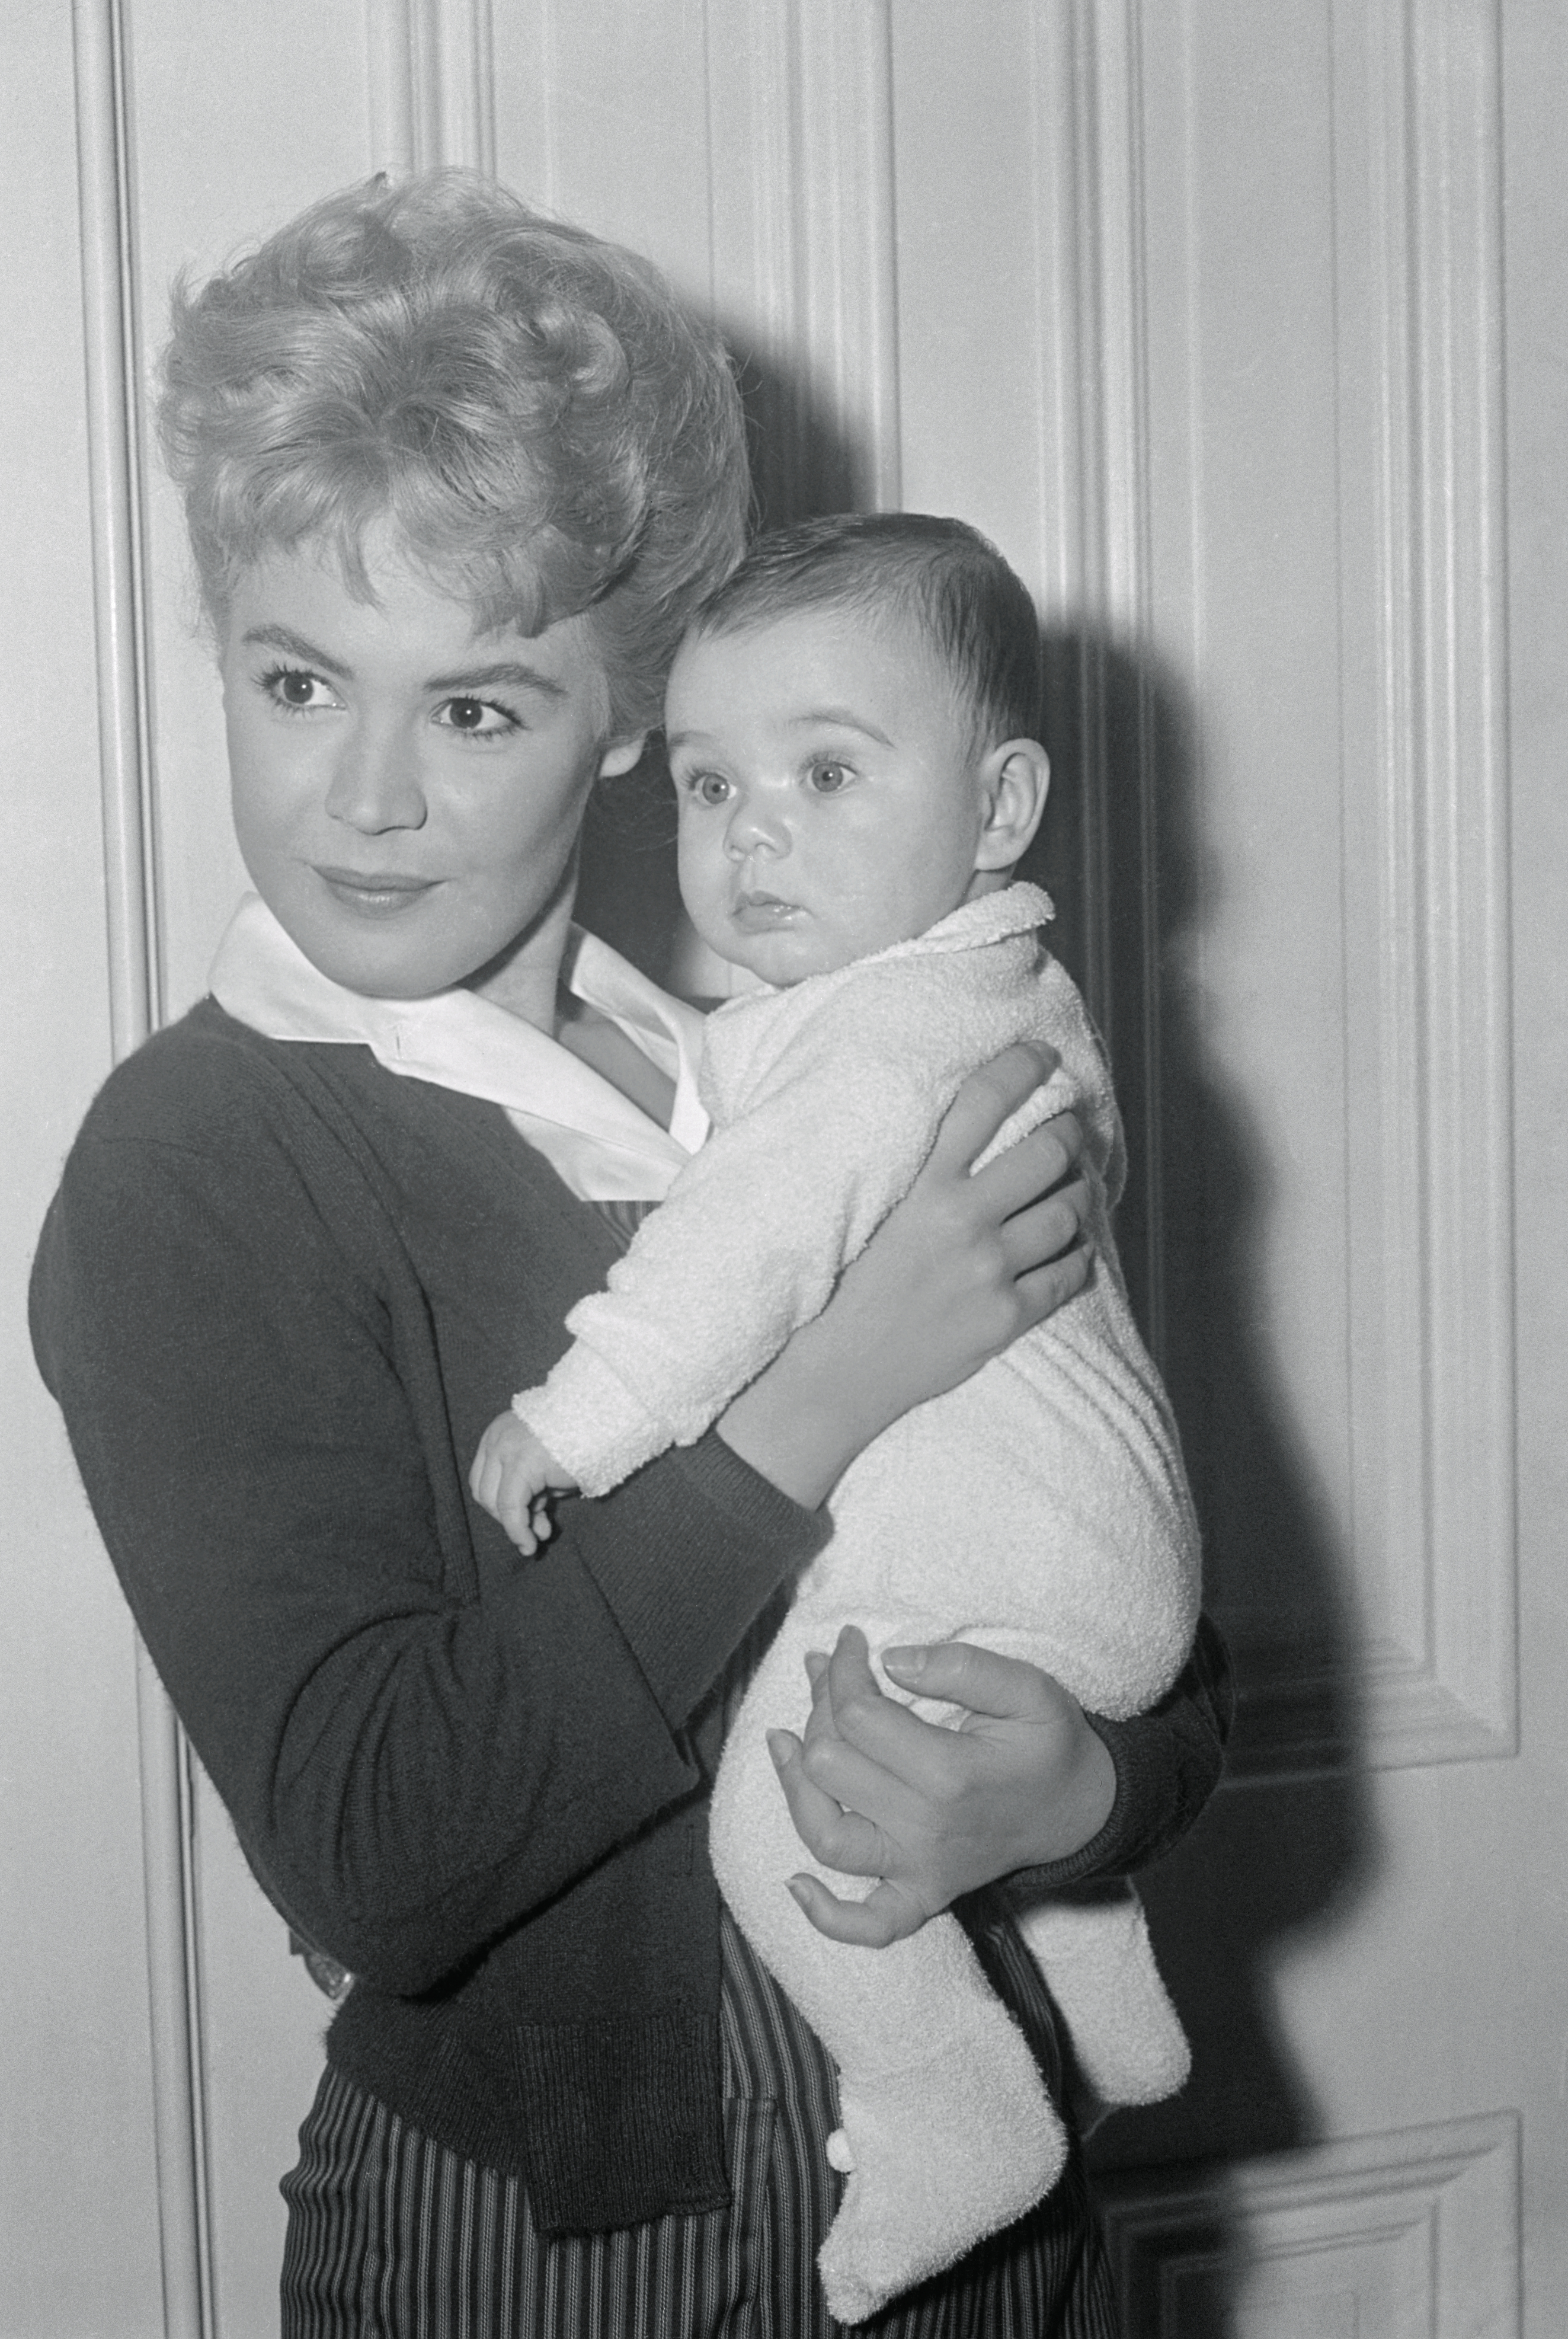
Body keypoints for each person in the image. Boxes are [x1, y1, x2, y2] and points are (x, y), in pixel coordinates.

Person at [28, 168, 1234, 2337]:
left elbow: (1117, 1559)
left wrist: (1084, 1790)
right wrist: (813, 1399)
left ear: (626, 712)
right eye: (302, 680)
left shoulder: (797, 1056)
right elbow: (385, 1854)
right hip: (583, 2237)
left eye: (478, 705)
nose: (367, 794)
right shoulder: (199, 1164)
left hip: (991, 2191)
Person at [471, 513, 1200, 2322]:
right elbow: (762, 1095)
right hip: (1096, 1553)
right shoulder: (978, 987)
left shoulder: (883, 1043)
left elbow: (747, 1247)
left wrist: (581, 1412)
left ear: (1003, 804)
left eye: (825, 771)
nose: (752, 831)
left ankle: (953, 2102)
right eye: (709, 786)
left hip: (1007, 1536)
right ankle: (1101, 1977)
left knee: (781, 1820)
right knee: (943, 1738)